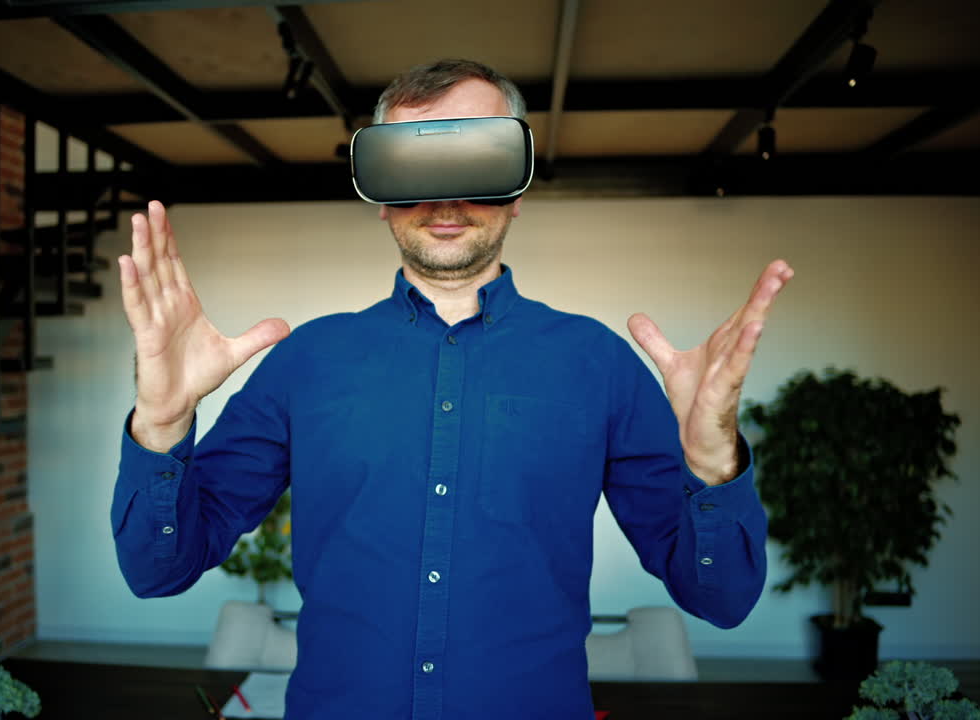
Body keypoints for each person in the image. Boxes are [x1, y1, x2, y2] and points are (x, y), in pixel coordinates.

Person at [111, 59, 793, 719]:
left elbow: (721, 599)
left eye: (477, 162)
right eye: (414, 166)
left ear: (517, 191)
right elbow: (158, 571)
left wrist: (713, 464)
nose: (445, 198)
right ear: (380, 197)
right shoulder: (305, 361)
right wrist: (162, 423)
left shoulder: (600, 363)